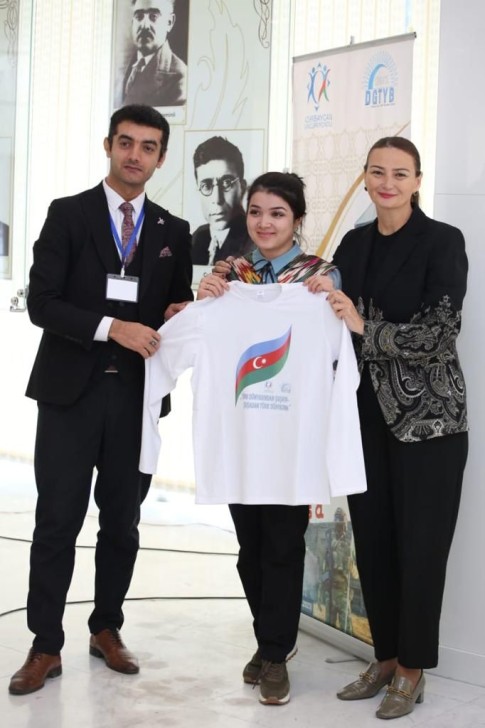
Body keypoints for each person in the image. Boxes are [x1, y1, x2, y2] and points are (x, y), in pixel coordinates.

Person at [8, 104, 193, 696]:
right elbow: (43, 303)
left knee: (122, 522)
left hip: (136, 400)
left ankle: (106, 628)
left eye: (148, 147)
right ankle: (45, 644)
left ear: (161, 158)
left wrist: (181, 312)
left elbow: (176, 303)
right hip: (69, 395)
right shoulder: (68, 214)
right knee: (57, 521)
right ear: (108, 146)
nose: (135, 155)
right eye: (126, 142)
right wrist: (113, 328)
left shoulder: (173, 231)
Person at [328, 137, 468, 720]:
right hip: (361, 417)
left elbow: (441, 332)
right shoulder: (353, 244)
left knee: (421, 548)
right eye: (378, 172)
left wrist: (365, 327)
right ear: (365, 177)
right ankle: (384, 657)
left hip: (429, 423)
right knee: (373, 542)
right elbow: (321, 307)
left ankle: (412, 669)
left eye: (400, 174)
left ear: (416, 181)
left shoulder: (442, 241)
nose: (388, 183)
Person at [196, 172, 349, 706]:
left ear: (297, 220)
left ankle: (275, 654)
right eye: (256, 212)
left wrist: (332, 301)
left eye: (277, 213)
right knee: (250, 550)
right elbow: (205, 330)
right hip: (242, 438)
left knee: (283, 546)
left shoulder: (319, 278)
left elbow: (338, 351)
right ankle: (269, 641)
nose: (264, 223)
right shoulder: (231, 274)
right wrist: (205, 296)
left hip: (291, 438)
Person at [191, 136, 254, 265]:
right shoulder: (198, 237)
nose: (217, 199)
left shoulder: (254, 240)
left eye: (226, 183)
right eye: (206, 186)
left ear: (242, 188)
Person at [123, 0, 187, 107]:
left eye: (153, 16)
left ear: (169, 22)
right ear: (132, 22)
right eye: (139, 17)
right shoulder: (126, 68)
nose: (144, 25)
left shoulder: (180, 79)